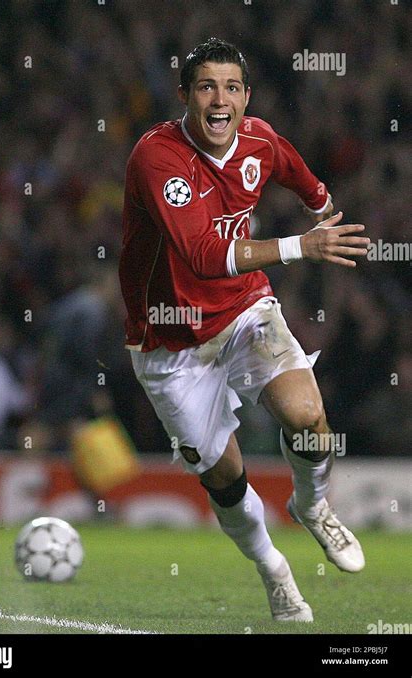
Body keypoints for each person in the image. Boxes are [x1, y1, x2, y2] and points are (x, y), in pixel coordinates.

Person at [119, 38, 369, 622]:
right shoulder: (158, 159)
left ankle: (313, 506)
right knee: (225, 478)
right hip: (169, 342)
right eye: (206, 86)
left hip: (241, 312)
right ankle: (273, 570)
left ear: (246, 96)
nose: (219, 100)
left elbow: (287, 162)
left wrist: (319, 199)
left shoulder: (256, 136)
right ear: (184, 95)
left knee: (307, 415)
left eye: (231, 87)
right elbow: (205, 255)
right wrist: (303, 244)